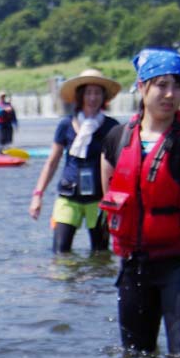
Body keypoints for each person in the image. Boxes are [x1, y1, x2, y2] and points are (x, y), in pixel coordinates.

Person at [100, 48, 180, 358]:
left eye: (178, 85)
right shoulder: (116, 138)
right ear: (142, 87)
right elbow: (108, 198)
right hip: (135, 265)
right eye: (161, 85)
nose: (170, 94)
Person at [30, 69, 123, 253]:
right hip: (68, 196)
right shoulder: (66, 125)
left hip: (99, 199)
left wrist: (116, 201)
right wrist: (37, 195)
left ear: (103, 97)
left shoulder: (112, 127)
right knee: (60, 253)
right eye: (88, 92)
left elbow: (118, 166)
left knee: (100, 255)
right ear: (80, 96)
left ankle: (96, 284)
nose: (93, 97)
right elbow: (52, 162)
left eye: (97, 93)